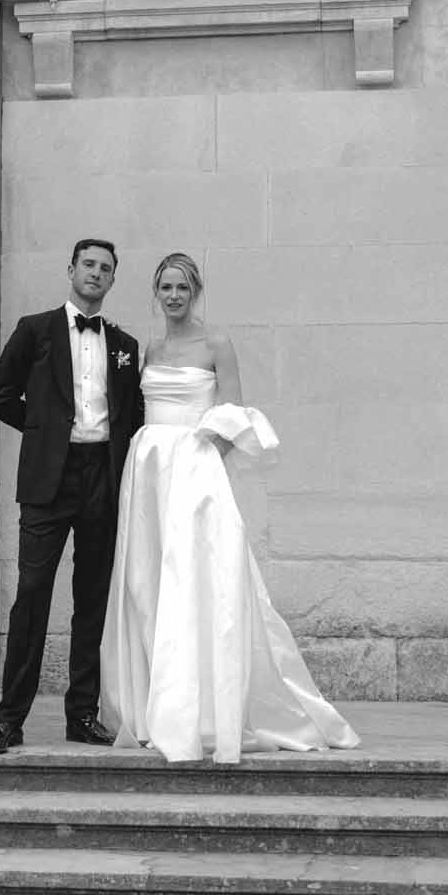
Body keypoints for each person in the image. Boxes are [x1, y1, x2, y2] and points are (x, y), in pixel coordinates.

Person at [100, 252, 359, 764]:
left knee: (200, 580)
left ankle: (202, 710)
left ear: (195, 291)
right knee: (147, 583)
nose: (173, 295)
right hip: (148, 472)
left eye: (182, 287)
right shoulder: (148, 347)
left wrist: (201, 464)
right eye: (165, 287)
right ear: (156, 293)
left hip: (195, 471)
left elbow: (233, 415)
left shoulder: (217, 343)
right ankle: (158, 705)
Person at [0, 237, 144, 755]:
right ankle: (9, 720)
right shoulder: (34, 330)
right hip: (49, 479)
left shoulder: (125, 346)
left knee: (92, 601)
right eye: (89, 265)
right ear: (70, 269)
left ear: (113, 280)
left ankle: (82, 715)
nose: (96, 273)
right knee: (32, 596)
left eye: (106, 269)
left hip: (103, 477)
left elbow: (132, 415)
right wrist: (44, 432)